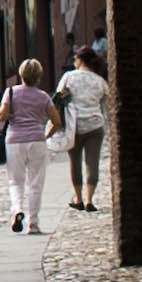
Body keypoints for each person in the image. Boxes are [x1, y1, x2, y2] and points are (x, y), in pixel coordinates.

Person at [0, 55, 57, 234]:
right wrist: (46, 134)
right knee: (36, 183)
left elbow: (2, 115)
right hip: (37, 139)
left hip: (14, 140)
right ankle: (33, 224)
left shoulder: (11, 92)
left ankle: (18, 210)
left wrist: (7, 114)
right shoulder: (43, 96)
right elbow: (56, 120)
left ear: (21, 74)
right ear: (39, 76)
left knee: (15, 181)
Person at [58, 42, 108, 210]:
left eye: (75, 59)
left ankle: (78, 198)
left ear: (79, 59)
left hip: (74, 126)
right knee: (92, 162)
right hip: (95, 126)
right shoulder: (100, 81)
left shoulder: (69, 77)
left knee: (75, 162)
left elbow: (58, 97)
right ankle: (89, 200)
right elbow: (104, 104)